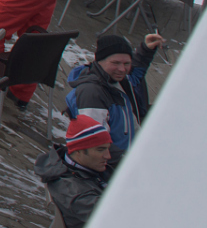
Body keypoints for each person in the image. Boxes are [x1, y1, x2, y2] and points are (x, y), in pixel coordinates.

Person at [65, 31, 163, 167]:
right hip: (110, 167)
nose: (122, 69)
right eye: (115, 63)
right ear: (99, 61)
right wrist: (133, 163)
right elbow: (96, 143)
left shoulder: (119, 81)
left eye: (126, 63)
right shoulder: (92, 93)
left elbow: (134, 75)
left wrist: (146, 50)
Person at [34, 116, 113, 228]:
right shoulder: (73, 190)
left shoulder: (78, 166)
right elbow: (114, 217)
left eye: (108, 148)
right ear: (79, 152)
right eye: (100, 150)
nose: (108, 156)